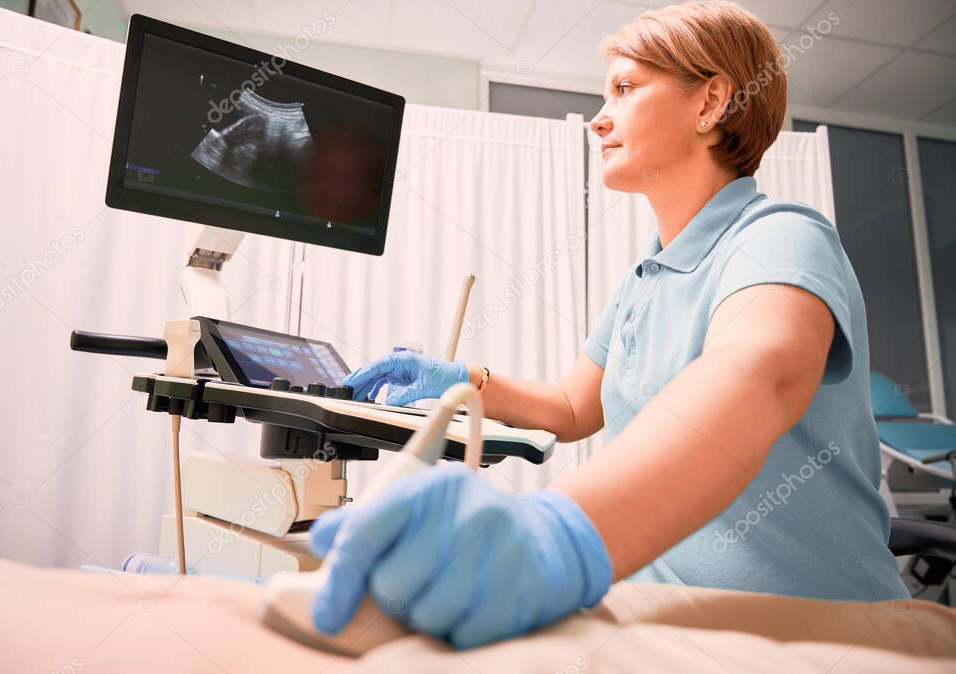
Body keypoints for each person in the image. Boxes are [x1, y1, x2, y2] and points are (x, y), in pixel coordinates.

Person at [309, 0, 909, 651]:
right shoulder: (643, 280)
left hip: (820, 633)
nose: (599, 119)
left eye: (624, 89)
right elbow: (573, 406)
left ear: (710, 103)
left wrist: (557, 533)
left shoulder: (780, 237)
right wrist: (462, 379)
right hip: (674, 617)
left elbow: (756, 377)